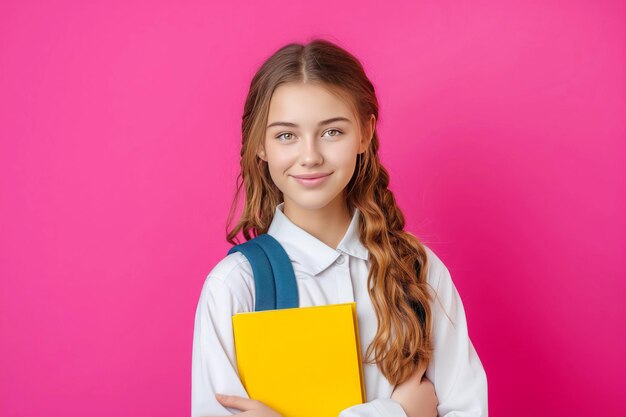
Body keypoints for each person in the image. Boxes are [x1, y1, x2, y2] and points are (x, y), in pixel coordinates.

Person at [191, 39, 488, 417]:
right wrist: (398, 413)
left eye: (332, 132)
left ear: (365, 133)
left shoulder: (418, 271)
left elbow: (467, 407)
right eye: (286, 135)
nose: (311, 155)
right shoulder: (236, 287)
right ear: (259, 145)